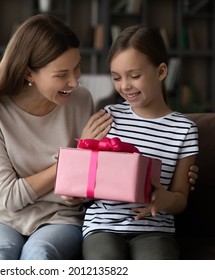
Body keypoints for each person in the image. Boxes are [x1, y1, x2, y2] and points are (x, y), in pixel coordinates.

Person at [0, 14, 199, 260]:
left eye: (77, 67)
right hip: (1, 215)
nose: (75, 81)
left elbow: (92, 178)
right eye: (61, 74)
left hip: (62, 217)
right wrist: (77, 158)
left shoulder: (80, 100)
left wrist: (175, 184)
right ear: (28, 74)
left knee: (39, 254)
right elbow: (10, 197)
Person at [81, 25, 199, 260]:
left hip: (155, 229)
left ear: (161, 71)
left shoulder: (184, 130)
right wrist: (84, 146)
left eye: (135, 76)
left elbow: (180, 198)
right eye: (116, 78)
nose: (124, 85)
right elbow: (83, 180)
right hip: (103, 226)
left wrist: (166, 199)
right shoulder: (107, 117)